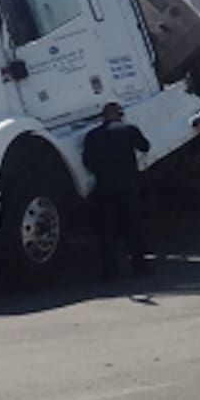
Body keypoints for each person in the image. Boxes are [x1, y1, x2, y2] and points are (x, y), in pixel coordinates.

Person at [83, 102, 154, 278]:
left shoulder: (92, 135)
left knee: (107, 230)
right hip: (128, 186)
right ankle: (139, 265)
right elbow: (145, 146)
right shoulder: (128, 130)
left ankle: (110, 270)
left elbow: (88, 162)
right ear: (120, 114)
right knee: (134, 227)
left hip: (104, 187)